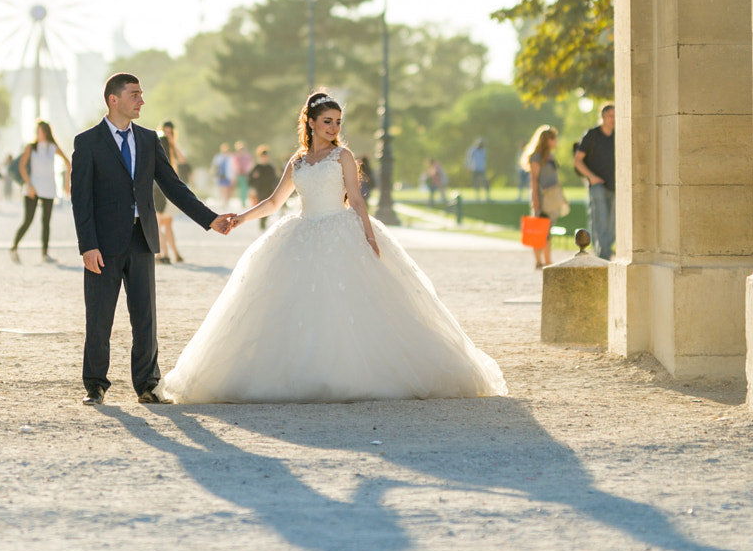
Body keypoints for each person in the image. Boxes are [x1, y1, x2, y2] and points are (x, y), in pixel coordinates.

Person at [164, 92, 506, 404]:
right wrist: (240, 218)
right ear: (310, 123)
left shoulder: (343, 156)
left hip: (341, 231)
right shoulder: (297, 162)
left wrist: (369, 239)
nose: (333, 127)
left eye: (338, 122)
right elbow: (273, 201)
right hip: (301, 233)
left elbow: (356, 200)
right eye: (327, 121)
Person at [71, 74, 235, 404]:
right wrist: (87, 245)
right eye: (134, 95)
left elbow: (174, 187)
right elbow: (81, 199)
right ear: (113, 100)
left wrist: (210, 219)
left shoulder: (149, 140)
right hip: (102, 244)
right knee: (100, 316)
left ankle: (147, 385)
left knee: (145, 316)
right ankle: (95, 386)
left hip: (143, 238)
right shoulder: (87, 142)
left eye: (141, 94)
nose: (141, 101)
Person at [10, 119, 70, 263]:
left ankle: (45, 254)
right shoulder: (31, 147)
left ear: (46, 132)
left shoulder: (53, 147)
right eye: (37, 131)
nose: (38, 134)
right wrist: (28, 184)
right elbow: (22, 166)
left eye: (40, 131)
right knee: (28, 220)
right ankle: (14, 248)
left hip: (49, 188)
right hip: (33, 188)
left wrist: (66, 184)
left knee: (46, 222)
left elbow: (68, 163)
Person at [521, 125, 567, 271]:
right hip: (542, 197)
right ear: (547, 140)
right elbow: (534, 179)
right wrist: (535, 199)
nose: (556, 142)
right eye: (554, 139)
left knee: (548, 229)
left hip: (552, 198)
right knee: (540, 229)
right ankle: (541, 261)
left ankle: (547, 260)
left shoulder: (550, 157)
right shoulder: (536, 157)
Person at [575, 102, 616, 259]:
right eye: (610, 116)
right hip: (597, 186)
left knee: (613, 225)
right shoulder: (592, 135)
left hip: (615, 186)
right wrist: (591, 177)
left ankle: (603, 254)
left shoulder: (618, 136)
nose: (613, 119)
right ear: (603, 117)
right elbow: (577, 160)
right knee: (600, 221)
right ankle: (603, 257)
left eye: (615, 116)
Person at [155, 120, 188, 263]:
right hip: (157, 185)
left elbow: (182, 161)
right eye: (165, 131)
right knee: (157, 222)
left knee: (166, 223)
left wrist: (173, 143)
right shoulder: (156, 143)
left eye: (170, 132)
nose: (167, 134)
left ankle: (171, 254)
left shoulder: (172, 146)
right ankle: (164, 253)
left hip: (169, 186)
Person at [247, 144, 279, 230]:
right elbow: (249, 180)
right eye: (263, 157)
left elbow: (275, 179)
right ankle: (262, 222)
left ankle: (264, 220)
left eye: (266, 157)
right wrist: (254, 177)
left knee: (268, 207)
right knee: (261, 206)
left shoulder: (270, 168)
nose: (265, 158)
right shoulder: (257, 167)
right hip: (260, 190)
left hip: (269, 190)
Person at [212, 143, 234, 209]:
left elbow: (233, 167)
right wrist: (213, 174)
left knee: (227, 189)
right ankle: (222, 202)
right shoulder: (218, 157)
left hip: (228, 175)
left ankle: (225, 202)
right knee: (222, 189)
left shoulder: (231, 157)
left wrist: (234, 176)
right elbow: (214, 166)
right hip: (220, 175)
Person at [232, 141, 253, 208]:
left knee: (244, 188)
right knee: (241, 188)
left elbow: (250, 165)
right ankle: (241, 201)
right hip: (239, 174)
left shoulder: (247, 156)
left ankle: (244, 202)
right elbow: (234, 166)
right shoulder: (236, 157)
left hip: (245, 174)